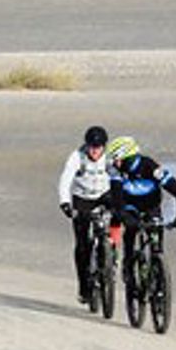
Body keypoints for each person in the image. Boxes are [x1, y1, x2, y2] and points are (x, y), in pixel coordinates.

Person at [105, 136, 176, 296]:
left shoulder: (150, 167)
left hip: (151, 207)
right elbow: (117, 200)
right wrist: (124, 216)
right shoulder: (116, 171)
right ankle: (128, 265)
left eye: (117, 160)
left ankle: (158, 275)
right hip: (129, 206)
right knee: (131, 230)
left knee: (156, 239)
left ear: (128, 158)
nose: (114, 164)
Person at [58, 125, 115, 305]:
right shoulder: (77, 157)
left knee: (117, 219)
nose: (95, 151)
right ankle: (84, 286)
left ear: (104, 146)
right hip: (82, 199)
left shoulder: (110, 157)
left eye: (98, 147)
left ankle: (111, 252)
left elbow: (119, 176)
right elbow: (65, 179)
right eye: (92, 147)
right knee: (82, 245)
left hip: (104, 196)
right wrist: (65, 203)